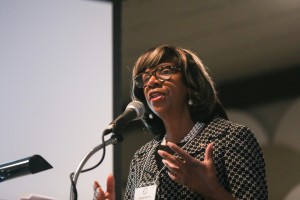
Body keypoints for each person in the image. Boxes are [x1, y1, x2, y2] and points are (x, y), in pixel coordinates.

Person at [93, 45, 268, 199]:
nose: (151, 82)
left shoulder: (230, 138)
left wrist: (212, 190)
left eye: (164, 71)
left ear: (190, 83)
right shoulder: (141, 158)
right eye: (145, 78)